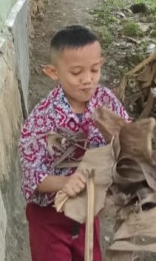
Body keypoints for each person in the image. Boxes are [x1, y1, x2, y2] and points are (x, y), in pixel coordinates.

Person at [19, 25, 130, 261]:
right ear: (53, 72)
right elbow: (30, 171)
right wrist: (63, 182)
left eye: (94, 69)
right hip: (49, 217)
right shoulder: (43, 117)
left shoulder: (105, 101)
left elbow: (127, 136)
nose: (87, 80)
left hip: (88, 211)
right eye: (77, 72)